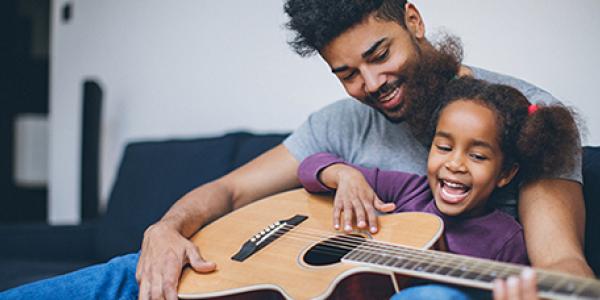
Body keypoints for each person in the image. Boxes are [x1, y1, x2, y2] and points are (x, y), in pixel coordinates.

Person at [0, 1, 593, 299]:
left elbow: (562, 262)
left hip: (434, 289)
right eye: (347, 72)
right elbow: (231, 191)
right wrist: (166, 227)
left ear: (413, 20)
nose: (371, 84)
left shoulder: (520, 116)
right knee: (128, 274)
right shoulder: (341, 122)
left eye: (380, 54)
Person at [297, 77, 581, 297]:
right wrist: (344, 175)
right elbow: (309, 167)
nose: (455, 164)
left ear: (505, 174)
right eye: (444, 147)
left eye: (477, 156)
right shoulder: (409, 190)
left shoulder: (507, 241)